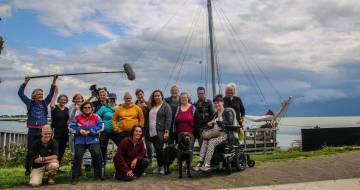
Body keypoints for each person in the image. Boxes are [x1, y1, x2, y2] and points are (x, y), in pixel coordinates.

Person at [18, 75, 57, 176]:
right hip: (32, 130)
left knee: (45, 149)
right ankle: (28, 168)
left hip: (43, 131)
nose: (41, 95)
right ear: (34, 96)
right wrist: (25, 82)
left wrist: (54, 80)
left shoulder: (45, 103)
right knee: (30, 150)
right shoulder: (29, 103)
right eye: (39, 94)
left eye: (41, 94)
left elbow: (51, 94)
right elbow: (20, 93)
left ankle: (45, 168)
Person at [193, 94, 235, 172]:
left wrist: (218, 122)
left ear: (222, 102)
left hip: (224, 134)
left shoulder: (227, 111)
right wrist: (210, 124)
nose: (216, 104)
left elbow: (230, 123)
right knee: (205, 141)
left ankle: (207, 164)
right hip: (215, 134)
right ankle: (200, 162)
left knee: (211, 142)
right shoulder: (215, 114)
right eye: (215, 103)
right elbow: (212, 125)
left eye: (218, 102)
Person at [70, 102, 104, 185]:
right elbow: (71, 126)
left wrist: (90, 132)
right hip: (80, 140)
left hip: (93, 139)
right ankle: (75, 177)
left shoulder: (96, 117)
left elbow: (101, 126)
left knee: (96, 154)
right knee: (77, 156)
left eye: (89, 107)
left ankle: (98, 175)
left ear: (92, 108)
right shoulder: (77, 117)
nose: (87, 109)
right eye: (85, 107)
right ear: (82, 109)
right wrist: (79, 131)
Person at [148, 90, 172, 175]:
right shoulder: (153, 106)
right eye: (155, 96)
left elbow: (168, 119)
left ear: (162, 96)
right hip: (152, 132)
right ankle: (159, 166)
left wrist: (167, 131)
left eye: (158, 95)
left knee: (160, 149)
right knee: (157, 150)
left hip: (161, 132)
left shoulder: (166, 106)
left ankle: (163, 167)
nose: (157, 97)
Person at [97, 92, 120, 172]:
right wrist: (100, 125)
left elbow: (122, 118)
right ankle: (103, 166)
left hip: (115, 131)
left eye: (114, 99)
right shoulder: (104, 107)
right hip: (105, 131)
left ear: (116, 99)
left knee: (121, 145)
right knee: (102, 147)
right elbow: (96, 116)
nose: (112, 100)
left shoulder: (119, 108)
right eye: (111, 99)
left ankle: (119, 164)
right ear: (108, 99)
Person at [68, 93, 92, 171]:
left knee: (86, 146)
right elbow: (71, 118)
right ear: (74, 99)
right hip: (74, 130)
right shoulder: (71, 107)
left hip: (83, 129)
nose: (78, 100)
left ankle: (87, 164)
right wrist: (75, 110)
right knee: (74, 148)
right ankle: (76, 165)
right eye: (76, 98)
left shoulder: (84, 107)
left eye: (80, 98)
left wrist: (92, 96)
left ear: (82, 99)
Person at [50, 87, 69, 167]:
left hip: (65, 132)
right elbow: (51, 105)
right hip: (56, 132)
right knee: (55, 150)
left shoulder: (67, 109)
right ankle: (52, 166)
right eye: (61, 99)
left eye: (65, 100)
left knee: (62, 150)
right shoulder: (55, 107)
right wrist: (56, 94)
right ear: (58, 100)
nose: (63, 101)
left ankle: (57, 167)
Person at [135, 89, 152, 162]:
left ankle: (150, 159)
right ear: (136, 96)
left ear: (143, 94)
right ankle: (139, 158)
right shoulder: (135, 104)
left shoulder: (147, 103)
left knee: (148, 143)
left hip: (147, 126)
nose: (140, 96)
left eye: (141, 94)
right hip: (138, 127)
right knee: (137, 143)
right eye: (138, 94)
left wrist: (147, 107)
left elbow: (153, 112)